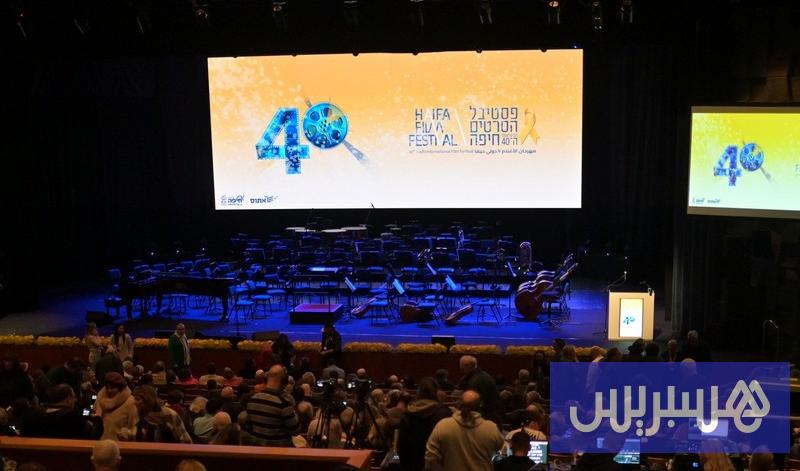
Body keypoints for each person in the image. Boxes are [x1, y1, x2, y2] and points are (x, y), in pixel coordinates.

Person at [424, 390, 504, 471]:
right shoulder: (491, 428)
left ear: (459, 404)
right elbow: (503, 451)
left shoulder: (442, 425)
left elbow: (430, 458)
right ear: (480, 405)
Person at [398, 377, 452, 471]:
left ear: (418, 392)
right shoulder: (445, 414)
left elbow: (402, 447)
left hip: (413, 464)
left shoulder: (408, 414)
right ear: (436, 392)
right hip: (437, 465)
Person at [246, 364, 299, 446]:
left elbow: (248, 427)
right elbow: (296, 431)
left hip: (256, 450)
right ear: (284, 381)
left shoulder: (252, 399)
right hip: (278, 451)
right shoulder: (284, 403)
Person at [22, 384, 95, 439]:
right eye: (73, 397)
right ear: (68, 399)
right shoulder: (73, 416)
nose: (75, 400)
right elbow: (90, 435)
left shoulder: (31, 414)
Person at [457, 355, 503, 427]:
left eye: (462, 367)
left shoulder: (474, 381)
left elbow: (471, 404)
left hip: (484, 419)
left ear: (470, 365)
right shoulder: (484, 375)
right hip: (493, 417)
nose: (461, 369)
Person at [94, 372, 138, 441]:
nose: (109, 390)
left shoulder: (131, 402)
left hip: (119, 444)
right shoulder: (100, 398)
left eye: (112, 388)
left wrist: (127, 433)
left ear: (120, 388)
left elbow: (134, 427)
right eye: (107, 387)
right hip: (100, 443)